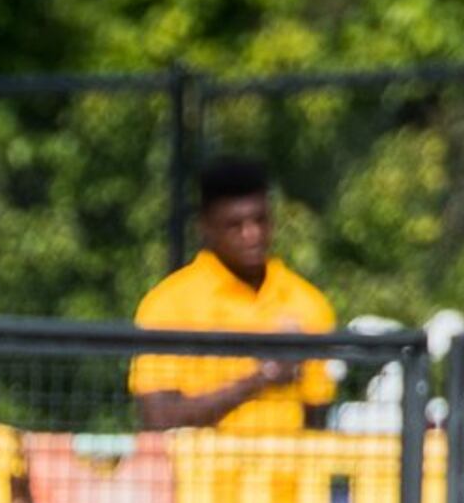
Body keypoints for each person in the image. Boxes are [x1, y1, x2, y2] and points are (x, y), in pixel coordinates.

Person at [128, 158, 338, 432]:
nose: (252, 235)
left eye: (260, 221)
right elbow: (158, 418)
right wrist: (261, 378)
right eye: (234, 225)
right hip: (202, 473)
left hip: (288, 473)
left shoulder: (307, 302)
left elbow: (317, 418)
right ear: (205, 227)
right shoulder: (168, 304)